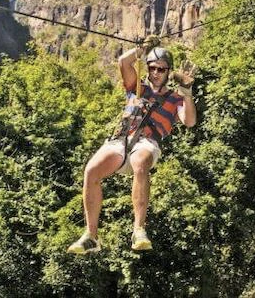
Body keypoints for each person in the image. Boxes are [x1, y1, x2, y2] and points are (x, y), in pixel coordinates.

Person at [67, 39, 197, 253]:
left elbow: (189, 121)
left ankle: (138, 229)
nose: (156, 73)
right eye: (152, 68)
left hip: (147, 142)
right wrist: (140, 50)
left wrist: (187, 90)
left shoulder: (175, 99)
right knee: (91, 170)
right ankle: (91, 236)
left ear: (168, 71)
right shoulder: (138, 88)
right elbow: (123, 62)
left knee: (140, 162)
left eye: (161, 69)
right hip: (121, 140)